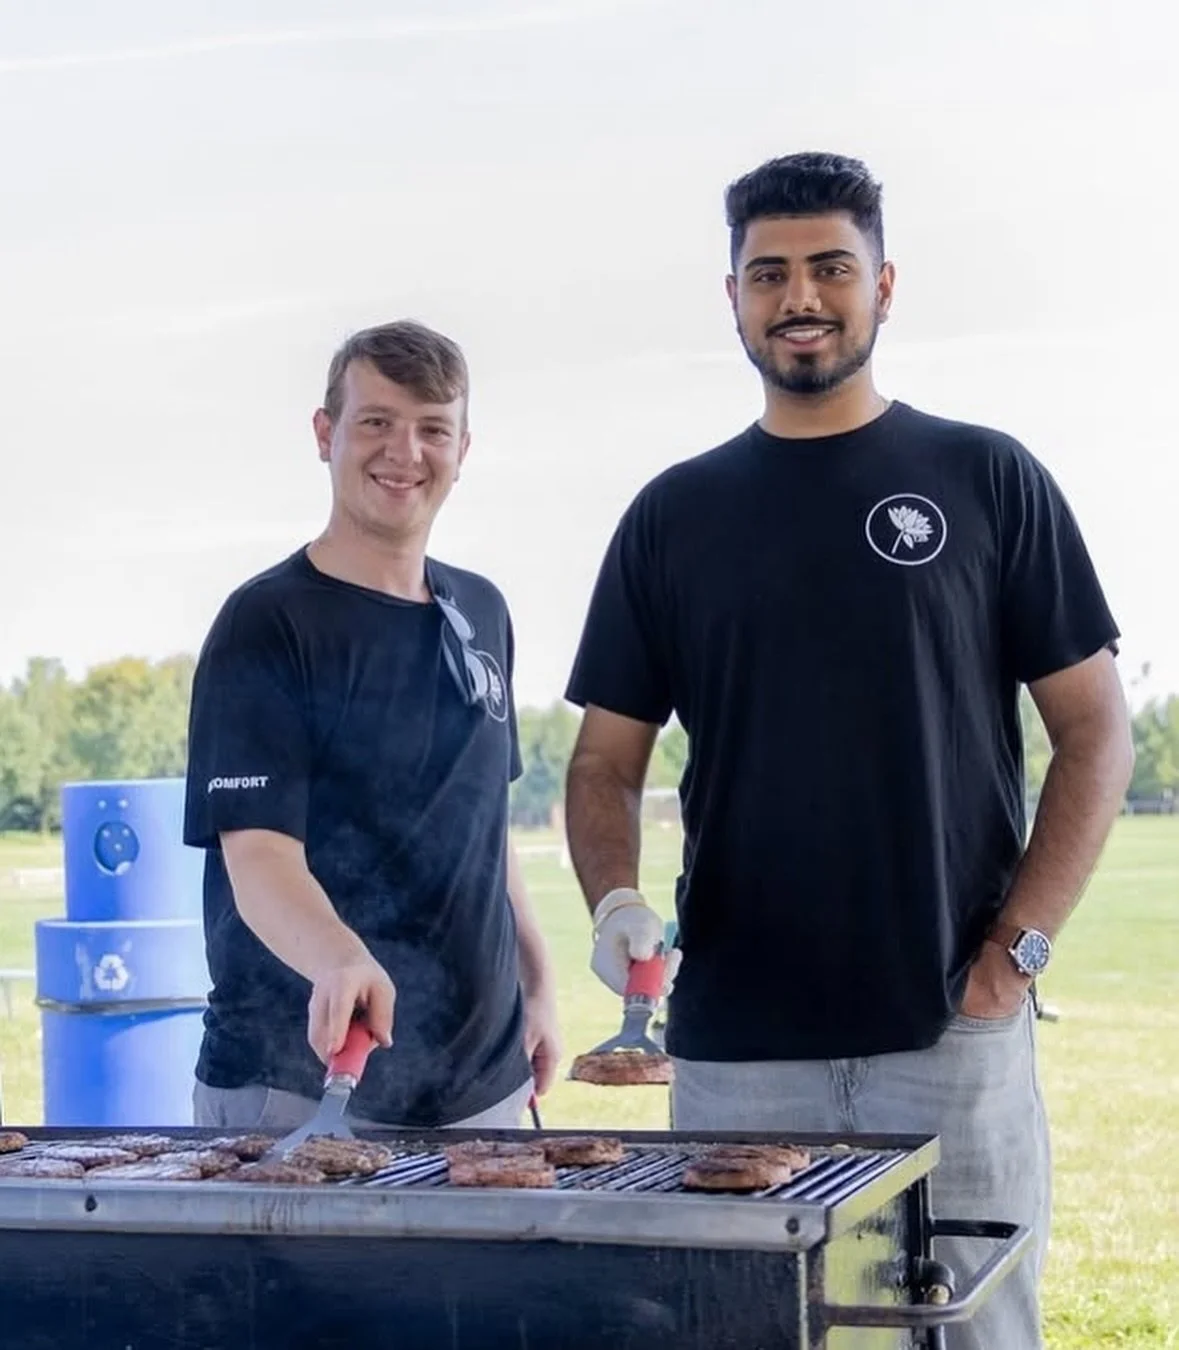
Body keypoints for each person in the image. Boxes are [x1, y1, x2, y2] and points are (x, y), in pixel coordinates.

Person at [563, 153, 1133, 1350]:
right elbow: (605, 761)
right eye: (769, 273)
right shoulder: (673, 515)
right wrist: (614, 897)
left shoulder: (987, 479)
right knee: (745, 1334)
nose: (800, 296)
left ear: (885, 283)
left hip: (950, 1032)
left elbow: (1094, 731)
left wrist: (1014, 957)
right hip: (734, 1052)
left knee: (971, 1335)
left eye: (831, 266)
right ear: (732, 298)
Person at [183, 319, 560, 1132]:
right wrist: (339, 957)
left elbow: (484, 829)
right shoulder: (267, 622)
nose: (405, 452)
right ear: (325, 434)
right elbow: (258, 859)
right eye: (376, 422)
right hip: (300, 1088)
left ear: (464, 449)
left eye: (433, 429)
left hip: (481, 1090)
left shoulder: (481, 609)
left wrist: (537, 986)